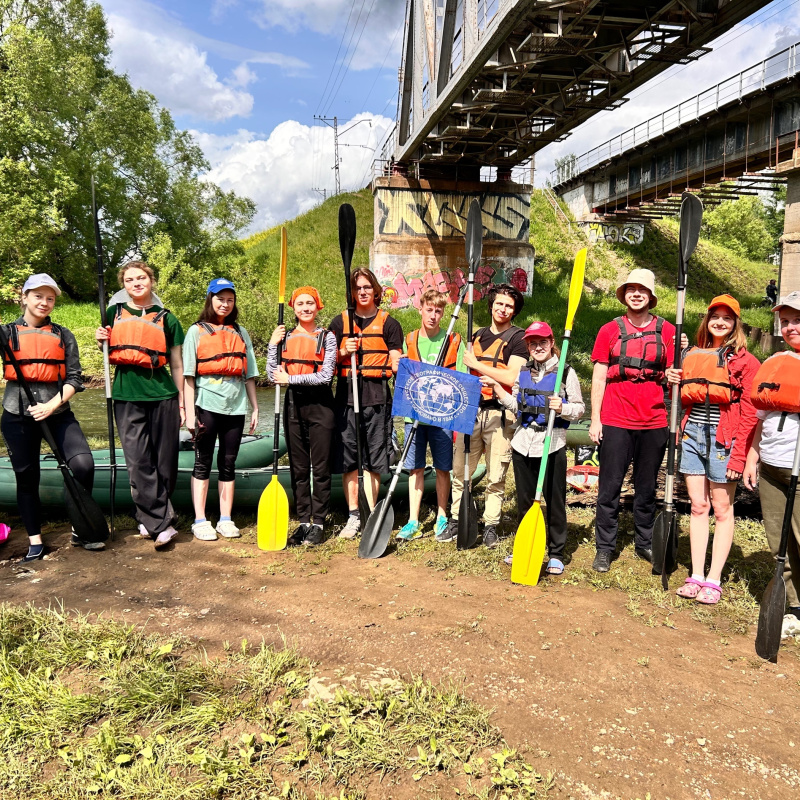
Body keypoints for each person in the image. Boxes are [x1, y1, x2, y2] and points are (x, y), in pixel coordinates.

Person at [665, 295, 759, 604]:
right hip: (692, 435)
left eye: (727, 318)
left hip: (724, 440)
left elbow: (750, 414)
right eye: (715, 316)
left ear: (736, 323)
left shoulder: (746, 361)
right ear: (707, 320)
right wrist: (671, 378)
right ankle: (696, 574)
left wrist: (739, 457)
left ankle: (714, 579)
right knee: (697, 506)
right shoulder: (691, 354)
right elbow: (678, 396)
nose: (720, 322)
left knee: (721, 508)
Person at [1, 274, 98, 561]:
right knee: (26, 478)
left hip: (58, 413)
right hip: (17, 414)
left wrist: (51, 405)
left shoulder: (64, 335)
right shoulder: (6, 333)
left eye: (50, 298)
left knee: (83, 464)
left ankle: (80, 527)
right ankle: (35, 541)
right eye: (38, 296)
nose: (44, 302)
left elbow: (75, 378)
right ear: (25, 297)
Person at [589, 268, 676, 572]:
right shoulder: (608, 330)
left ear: (651, 296)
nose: (636, 294)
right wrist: (595, 419)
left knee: (647, 487)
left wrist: (675, 373)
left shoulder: (668, 331)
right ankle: (605, 547)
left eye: (642, 290)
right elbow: (599, 377)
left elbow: (675, 373)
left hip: (654, 419)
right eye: (631, 289)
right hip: (615, 417)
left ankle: (645, 542)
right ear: (624, 294)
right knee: (609, 487)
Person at [95, 261, 185, 549]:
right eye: (130, 279)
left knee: (165, 462)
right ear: (124, 285)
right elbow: (107, 348)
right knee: (138, 462)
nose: (136, 283)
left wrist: (183, 403)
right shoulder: (113, 313)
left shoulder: (169, 319)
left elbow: (177, 365)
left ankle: (149, 518)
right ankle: (162, 525)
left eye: (141, 277)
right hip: (126, 396)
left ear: (151, 280)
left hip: (163, 396)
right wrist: (100, 340)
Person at [488, 321, 585, 572]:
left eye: (543, 342)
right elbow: (517, 405)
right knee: (525, 501)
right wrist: (498, 390)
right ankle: (525, 546)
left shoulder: (566, 372)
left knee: (554, 501)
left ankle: (556, 552)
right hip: (523, 443)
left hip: (552, 444)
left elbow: (579, 409)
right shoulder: (523, 371)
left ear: (552, 343)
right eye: (533, 344)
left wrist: (563, 407)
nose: (538, 347)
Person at [450, 283, 528, 547]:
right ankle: (457, 519)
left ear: (514, 311)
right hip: (472, 411)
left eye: (509, 306)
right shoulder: (476, 335)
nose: (503, 309)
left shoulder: (518, 338)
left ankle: (491, 525)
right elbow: (463, 373)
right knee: (461, 471)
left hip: (500, 414)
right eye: (499, 303)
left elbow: (511, 376)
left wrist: (476, 364)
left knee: (496, 474)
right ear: (492, 305)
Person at [183, 278, 259, 541]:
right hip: (206, 405)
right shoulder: (196, 331)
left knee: (228, 462)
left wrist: (255, 407)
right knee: (203, 461)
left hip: (235, 408)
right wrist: (189, 413)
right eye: (220, 299)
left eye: (230, 300)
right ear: (210, 299)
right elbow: (189, 377)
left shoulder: (241, 332)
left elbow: (249, 375)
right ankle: (200, 520)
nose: (225, 304)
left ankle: (225, 519)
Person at [330, 268, 403, 539]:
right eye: (358, 288)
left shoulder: (390, 324)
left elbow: (396, 360)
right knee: (349, 459)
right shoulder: (339, 323)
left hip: (377, 398)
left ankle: (371, 513)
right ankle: (353, 515)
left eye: (367, 287)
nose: (362, 292)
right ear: (352, 292)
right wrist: (342, 351)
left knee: (374, 458)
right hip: (346, 398)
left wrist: (399, 365)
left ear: (375, 291)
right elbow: (327, 363)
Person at [744, 290, 800, 639]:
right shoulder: (777, 361)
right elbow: (761, 416)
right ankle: (794, 606)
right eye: (786, 321)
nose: (791, 327)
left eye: (798, 320)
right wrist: (753, 458)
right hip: (773, 467)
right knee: (779, 542)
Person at [268, 285, 336, 546]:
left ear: (318, 306)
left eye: (310, 303)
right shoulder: (283, 336)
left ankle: (318, 522)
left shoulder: (327, 337)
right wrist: (272, 345)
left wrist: (292, 379)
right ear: (293, 307)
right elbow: (271, 374)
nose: (305, 308)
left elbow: (325, 376)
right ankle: (303, 521)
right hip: (293, 404)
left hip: (321, 406)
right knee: (299, 467)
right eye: (300, 304)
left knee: (320, 467)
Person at [396, 288, 465, 542]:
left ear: (443, 313)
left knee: (442, 468)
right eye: (429, 310)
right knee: (415, 468)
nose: (433, 315)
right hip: (413, 416)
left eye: (438, 311)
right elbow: (401, 375)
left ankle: (442, 516)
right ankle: (413, 521)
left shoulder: (453, 340)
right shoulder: (410, 339)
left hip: (442, 417)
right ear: (420, 310)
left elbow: (461, 378)